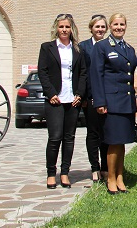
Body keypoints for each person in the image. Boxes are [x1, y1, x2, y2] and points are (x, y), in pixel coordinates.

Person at [89, 12, 137, 195]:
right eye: (116, 24)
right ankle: (110, 177)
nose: (119, 28)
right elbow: (96, 75)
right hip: (111, 102)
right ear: (110, 26)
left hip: (126, 101)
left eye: (122, 25)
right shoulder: (102, 47)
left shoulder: (129, 48)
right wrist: (100, 101)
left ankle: (120, 176)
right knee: (113, 141)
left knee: (122, 141)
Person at [37, 13, 86, 190]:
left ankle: (65, 172)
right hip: (55, 100)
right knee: (55, 137)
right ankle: (51, 173)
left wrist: (79, 94)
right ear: (56, 28)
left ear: (72, 29)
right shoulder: (47, 48)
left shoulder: (77, 49)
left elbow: (83, 73)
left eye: (67, 27)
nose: (64, 30)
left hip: (72, 100)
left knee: (69, 138)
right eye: (61, 27)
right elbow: (42, 72)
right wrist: (50, 93)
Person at [79, 14, 109, 184]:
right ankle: (95, 168)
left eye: (103, 27)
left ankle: (105, 167)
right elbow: (82, 73)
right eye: (97, 27)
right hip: (90, 97)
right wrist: (84, 96)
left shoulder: (108, 45)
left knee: (106, 133)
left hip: (106, 97)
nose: (100, 30)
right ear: (91, 28)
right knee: (93, 133)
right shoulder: (83, 47)